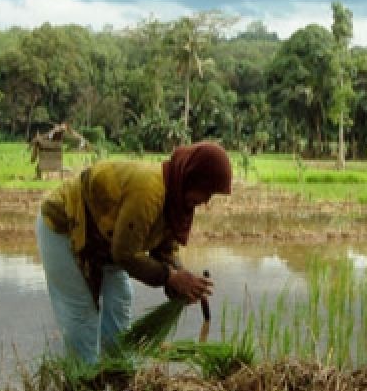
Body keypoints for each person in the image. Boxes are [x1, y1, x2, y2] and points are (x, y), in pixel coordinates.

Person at [35, 141, 232, 363]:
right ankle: (84, 385)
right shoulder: (149, 190)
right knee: (82, 315)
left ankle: (117, 373)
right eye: (206, 191)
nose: (205, 201)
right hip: (65, 227)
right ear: (190, 177)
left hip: (103, 241)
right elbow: (125, 254)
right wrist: (171, 277)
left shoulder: (174, 199)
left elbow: (165, 251)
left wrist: (182, 282)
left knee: (120, 300)